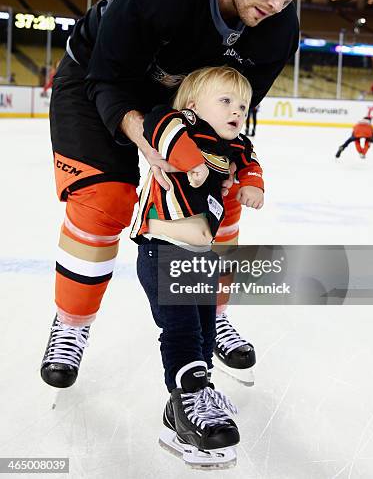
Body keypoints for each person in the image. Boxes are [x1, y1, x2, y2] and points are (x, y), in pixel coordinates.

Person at [40, 0, 316, 389]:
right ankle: (71, 324)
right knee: (105, 201)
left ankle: (214, 313)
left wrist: (224, 168)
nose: (276, 5)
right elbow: (106, 78)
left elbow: (234, 117)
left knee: (220, 197)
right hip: (97, 81)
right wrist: (147, 140)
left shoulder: (278, 28)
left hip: (183, 105)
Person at [131, 65, 263, 467]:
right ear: (193, 104)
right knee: (183, 329)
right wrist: (191, 161)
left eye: (241, 105)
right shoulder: (182, 124)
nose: (236, 111)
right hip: (163, 246)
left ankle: (194, 397)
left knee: (206, 329)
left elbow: (250, 161)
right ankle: (185, 406)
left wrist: (253, 184)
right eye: (225, 101)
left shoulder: (235, 144)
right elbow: (158, 123)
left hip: (199, 256)